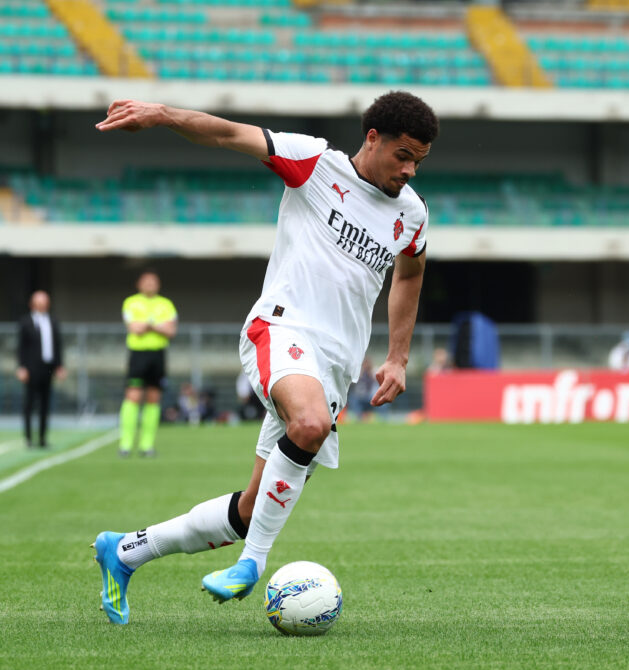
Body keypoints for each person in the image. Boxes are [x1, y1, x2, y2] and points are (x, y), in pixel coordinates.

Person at [90, 90, 437, 624]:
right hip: (280, 328)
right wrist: (162, 115)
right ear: (373, 138)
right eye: (404, 155)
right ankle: (253, 564)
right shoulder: (314, 163)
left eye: (420, 161)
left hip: (335, 369)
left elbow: (409, 275)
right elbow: (229, 133)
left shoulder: (412, 214)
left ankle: (125, 551)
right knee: (310, 422)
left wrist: (397, 357)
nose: (411, 170)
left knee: (253, 509)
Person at [118, 271, 177, 457]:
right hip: (138, 355)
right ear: (139, 284)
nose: (150, 284)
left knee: (153, 398)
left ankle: (147, 446)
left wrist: (149, 326)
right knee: (133, 397)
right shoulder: (131, 302)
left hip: (157, 355)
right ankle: (126, 444)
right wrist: (156, 326)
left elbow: (170, 330)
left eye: (154, 281)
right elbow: (134, 328)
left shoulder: (166, 304)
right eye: (147, 281)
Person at [16, 290, 66, 448]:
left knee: (45, 404)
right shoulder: (25, 322)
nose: (43, 304)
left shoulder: (53, 321)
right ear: (33, 304)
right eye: (39, 301)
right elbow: (21, 347)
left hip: (48, 367)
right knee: (30, 403)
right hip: (31, 368)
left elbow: (58, 345)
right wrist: (22, 367)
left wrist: (59, 365)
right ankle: (29, 438)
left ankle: (43, 438)